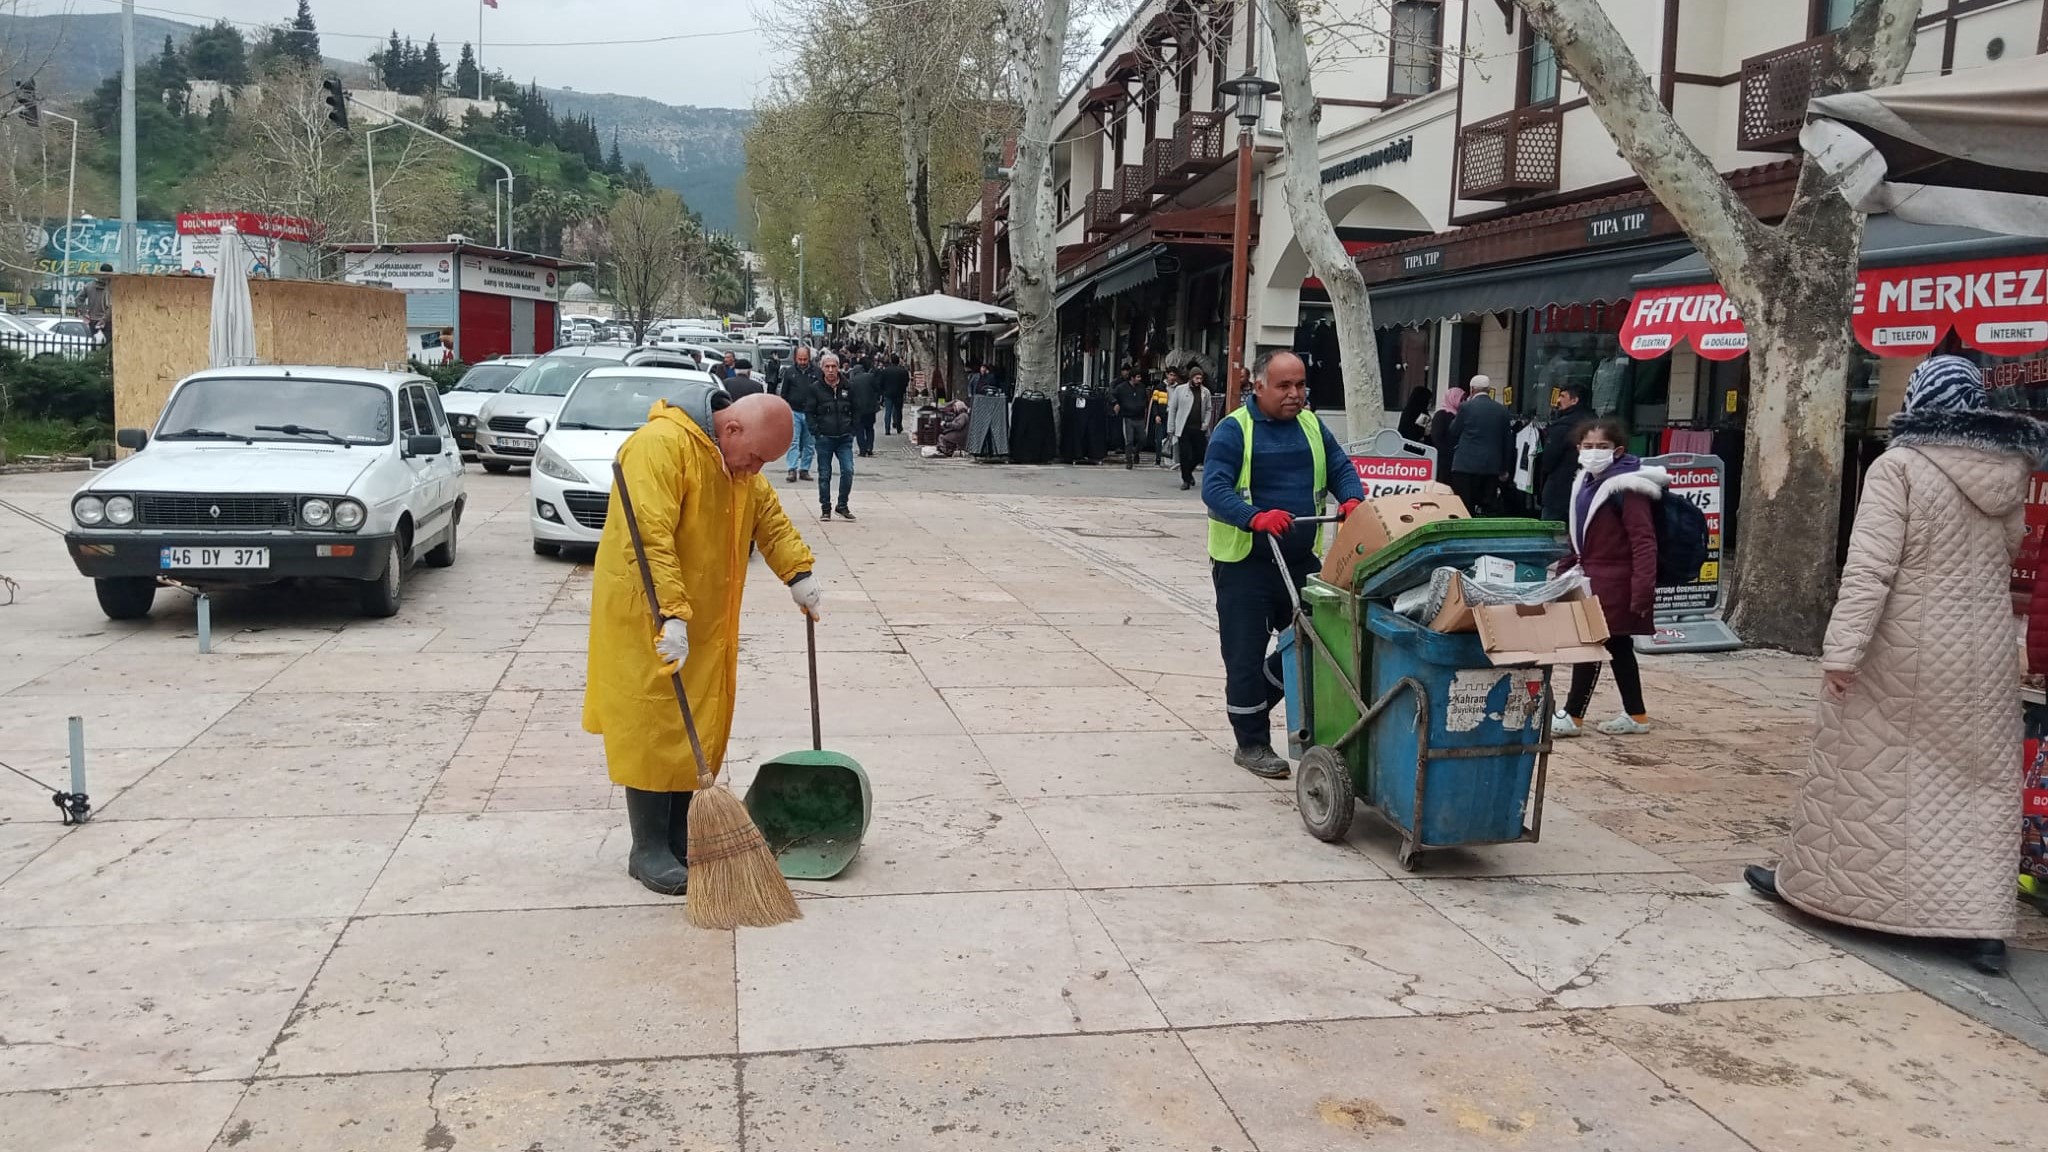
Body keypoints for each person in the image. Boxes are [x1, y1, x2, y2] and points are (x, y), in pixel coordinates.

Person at [1746, 357, 2048, 977]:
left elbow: (1870, 569)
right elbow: (2009, 550)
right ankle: (1981, 929)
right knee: (1976, 787)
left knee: (1861, 772)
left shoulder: (1898, 466)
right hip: (1983, 651)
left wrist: (1843, 652)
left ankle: (1823, 889)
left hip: (1900, 646)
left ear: (1916, 402)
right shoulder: (2010, 471)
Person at [584, 387, 823, 896]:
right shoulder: (660, 447)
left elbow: (769, 520)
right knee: (653, 723)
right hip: (649, 615)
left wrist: (798, 572)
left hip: (704, 621)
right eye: (758, 458)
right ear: (732, 428)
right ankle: (646, 849)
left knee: (689, 726)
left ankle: (674, 837)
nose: (757, 470)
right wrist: (670, 614)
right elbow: (648, 538)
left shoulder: (735, 466)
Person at [1203, 351, 1367, 779]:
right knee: (1244, 652)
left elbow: (1340, 468)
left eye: (1300, 385)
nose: (1295, 394)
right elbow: (1215, 488)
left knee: (1314, 641)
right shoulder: (1233, 430)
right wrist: (1253, 516)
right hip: (1245, 562)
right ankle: (1252, 743)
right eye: (1284, 386)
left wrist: (1351, 497)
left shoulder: (1312, 425)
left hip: (1297, 558)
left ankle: (1253, 700)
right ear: (1258, 387)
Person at [1550, 418, 1664, 739]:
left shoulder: (1628, 487)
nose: (1594, 452)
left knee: (1592, 644)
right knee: (1618, 645)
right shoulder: (1584, 483)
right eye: (1588, 447)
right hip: (1593, 579)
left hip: (1617, 582)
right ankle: (1636, 714)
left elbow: (1644, 541)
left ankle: (1573, 715)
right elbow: (1578, 538)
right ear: (1578, 449)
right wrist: (1563, 574)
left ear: (1618, 450)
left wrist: (1643, 589)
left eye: (1602, 447)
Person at [800, 351, 862, 521]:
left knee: (848, 471)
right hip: (824, 438)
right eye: (827, 366)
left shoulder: (849, 387)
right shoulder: (815, 388)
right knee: (824, 474)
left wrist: (853, 429)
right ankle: (825, 508)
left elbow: (856, 409)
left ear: (838, 367)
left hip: (844, 437)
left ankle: (842, 505)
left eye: (833, 366)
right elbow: (809, 412)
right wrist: (816, 432)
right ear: (822, 368)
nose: (830, 370)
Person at [1449, 376, 1513, 515]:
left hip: (1465, 466)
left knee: (1465, 507)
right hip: (1491, 467)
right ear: (1488, 390)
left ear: (1472, 389)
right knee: (1489, 505)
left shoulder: (1466, 407)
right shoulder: (1501, 410)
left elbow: (1454, 431)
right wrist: (1504, 468)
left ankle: (1465, 534)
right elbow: (1507, 441)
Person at [1538, 384, 1590, 523]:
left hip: (1559, 492)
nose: (1558, 401)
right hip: (1586, 491)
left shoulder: (1562, 426)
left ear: (1574, 400)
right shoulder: (1595, 422)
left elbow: (1549, 460)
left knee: (1549, 535)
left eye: (1562, 396)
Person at [778, 345, 823, 483]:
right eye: (800, 359)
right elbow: (784, 393)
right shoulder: (790, 372)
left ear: (809, 358)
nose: (802, 362)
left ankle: (804, 469)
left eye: (805, 359)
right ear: (795, 358)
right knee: (794, 441)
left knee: (809, 443)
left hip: (810, 413)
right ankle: (792, 469)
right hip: (794, 411)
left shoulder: (817, 372)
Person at [1168, 366, 1211, 492]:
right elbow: (1173, 409)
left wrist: (1206, 423)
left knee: (1199, 454)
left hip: (1198, 428)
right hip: (1184, 428)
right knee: (1185, 454)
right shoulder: (1180, 390)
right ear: (1191, 377)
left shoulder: (1205, 392)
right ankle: (1186, 479)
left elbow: (1209, 409)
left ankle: (1189, 470)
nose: (1199, 380)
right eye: (1197, 378)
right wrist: (1171, 428)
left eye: (1201, 378)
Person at [1113, 365, 1148, 469]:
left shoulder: (1142, 387)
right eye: (1137, 377)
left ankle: (1136, 452)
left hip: (1140, 417)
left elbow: (1145, 400)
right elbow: (1112, 394)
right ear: (1132, 377)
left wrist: (1144, 409)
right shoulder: (1122, 388)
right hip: (1128, 417)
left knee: (1143, 439)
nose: (1139, 379)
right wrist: (1115, 403)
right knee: (1129, 440)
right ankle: (1129, 460)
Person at [1428, 384, 1463, 476]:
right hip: (1444, 459)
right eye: (1461, 400)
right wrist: (1450, 452)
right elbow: (1437, 438)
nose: (1463, 402)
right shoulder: (1441, 415)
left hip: (1457, 460)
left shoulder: (1460, 415)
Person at [850, 355, 880, 457]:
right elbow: (877, 389)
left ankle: (862, 450)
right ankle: (869, 447)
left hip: (858, 409)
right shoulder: (870, 377)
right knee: (870, 428)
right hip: (870, 408)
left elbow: (850, 395)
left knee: (859, 430)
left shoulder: (852, 381)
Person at [78, 264, 113, 343]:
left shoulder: (89, 286)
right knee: (108, 348)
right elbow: (112, 306)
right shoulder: (112, 287)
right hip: (107, 322)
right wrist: (104, 319)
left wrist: (84, 312)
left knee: (95, 346)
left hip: (93, 321)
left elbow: (78, 299)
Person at [878, 353, 911, 434]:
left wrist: (883, 391)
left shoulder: (885, 371)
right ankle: (899, 427)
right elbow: (906, 381)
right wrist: (903, 389)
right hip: (899, 393)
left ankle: (887, 429)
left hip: (888, 394)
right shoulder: (903, 371)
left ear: (891, 361)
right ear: (898, 361)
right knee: (898, 411)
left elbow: (880, 382)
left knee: (888, 411)